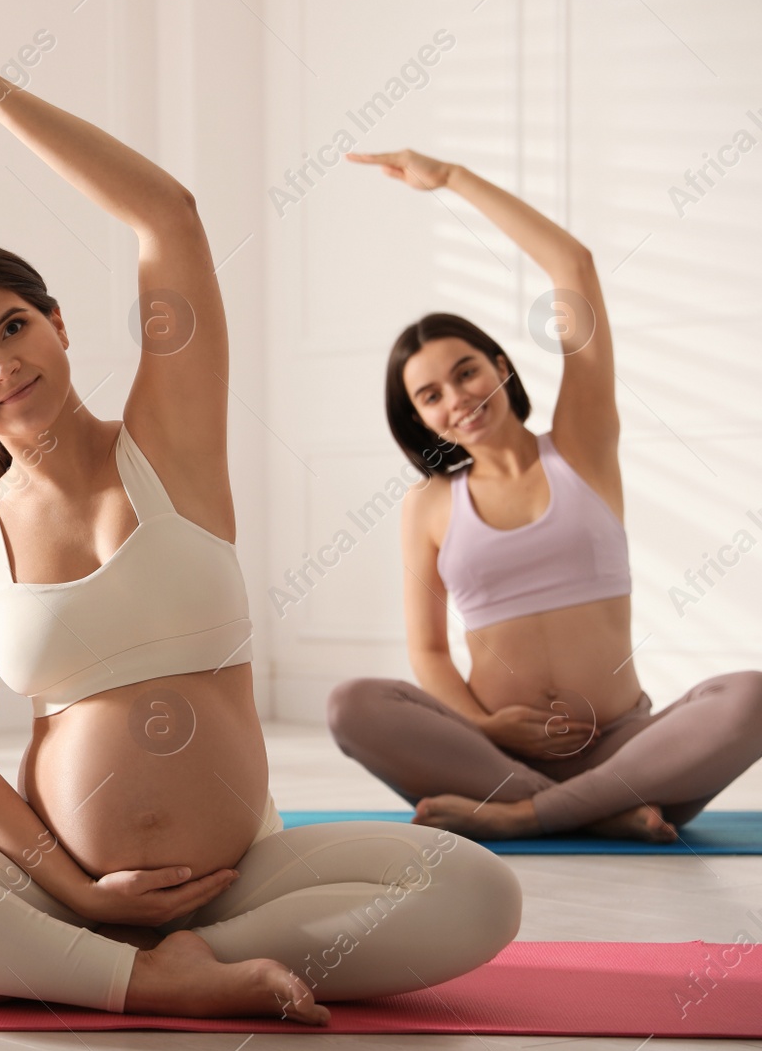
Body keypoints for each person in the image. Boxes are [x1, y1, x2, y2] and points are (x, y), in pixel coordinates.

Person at [0, 50, 521, 1024]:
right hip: (59, 882)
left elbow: (166, 213)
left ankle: (90, 966)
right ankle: (131, 968)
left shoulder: (167, 445)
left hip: (237, 876)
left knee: (478, 893)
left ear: (58, 322)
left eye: (11, 328)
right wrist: (74, 889)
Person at [327, 149, 762, 841]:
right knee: (352, 704)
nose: (458, 399)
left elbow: (574, 268)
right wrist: (481, 725)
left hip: (627, 751)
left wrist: (452, 180)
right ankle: (598, 814)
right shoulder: (429, 506)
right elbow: (431, 654)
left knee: (753, 696)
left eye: (467, 372)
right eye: (430, 394)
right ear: (418, 417)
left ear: (500, 366)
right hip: (495, 757)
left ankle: (531, 816)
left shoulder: (581, 447)